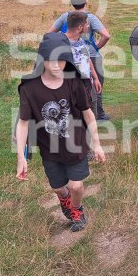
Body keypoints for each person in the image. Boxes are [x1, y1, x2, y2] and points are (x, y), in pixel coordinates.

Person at [15, 32, 107, 232]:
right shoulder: (29, 88)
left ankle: (76, 209)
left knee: (76, 186)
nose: (56, 65)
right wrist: (21, 157)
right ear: (42, 59)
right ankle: (64, 198)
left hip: (75, 145)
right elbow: (23, 123)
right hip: (50, 149)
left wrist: (97, 144)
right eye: (51, 60)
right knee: (58, 187)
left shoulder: (74, 83)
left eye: (62, 60)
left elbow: (88, 114)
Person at [49, 0, 111, 120]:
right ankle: (98, 115)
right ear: (86, 2)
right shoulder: (91, 18)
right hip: (91, 56)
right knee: (95, 86)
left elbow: (49, 33)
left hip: (69, 56)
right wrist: (96, 47)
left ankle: (76, 115)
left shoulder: (66, 17)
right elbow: (106, 35)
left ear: (72, 4)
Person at [64, 11, 102, 118]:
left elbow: (87, 59)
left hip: (88, 84)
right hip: (73, 88)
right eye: (86, 24)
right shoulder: (62, 43)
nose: (88, 26)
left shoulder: (81, 40)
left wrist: (95, 78)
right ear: (80, 27)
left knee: (92, 115)